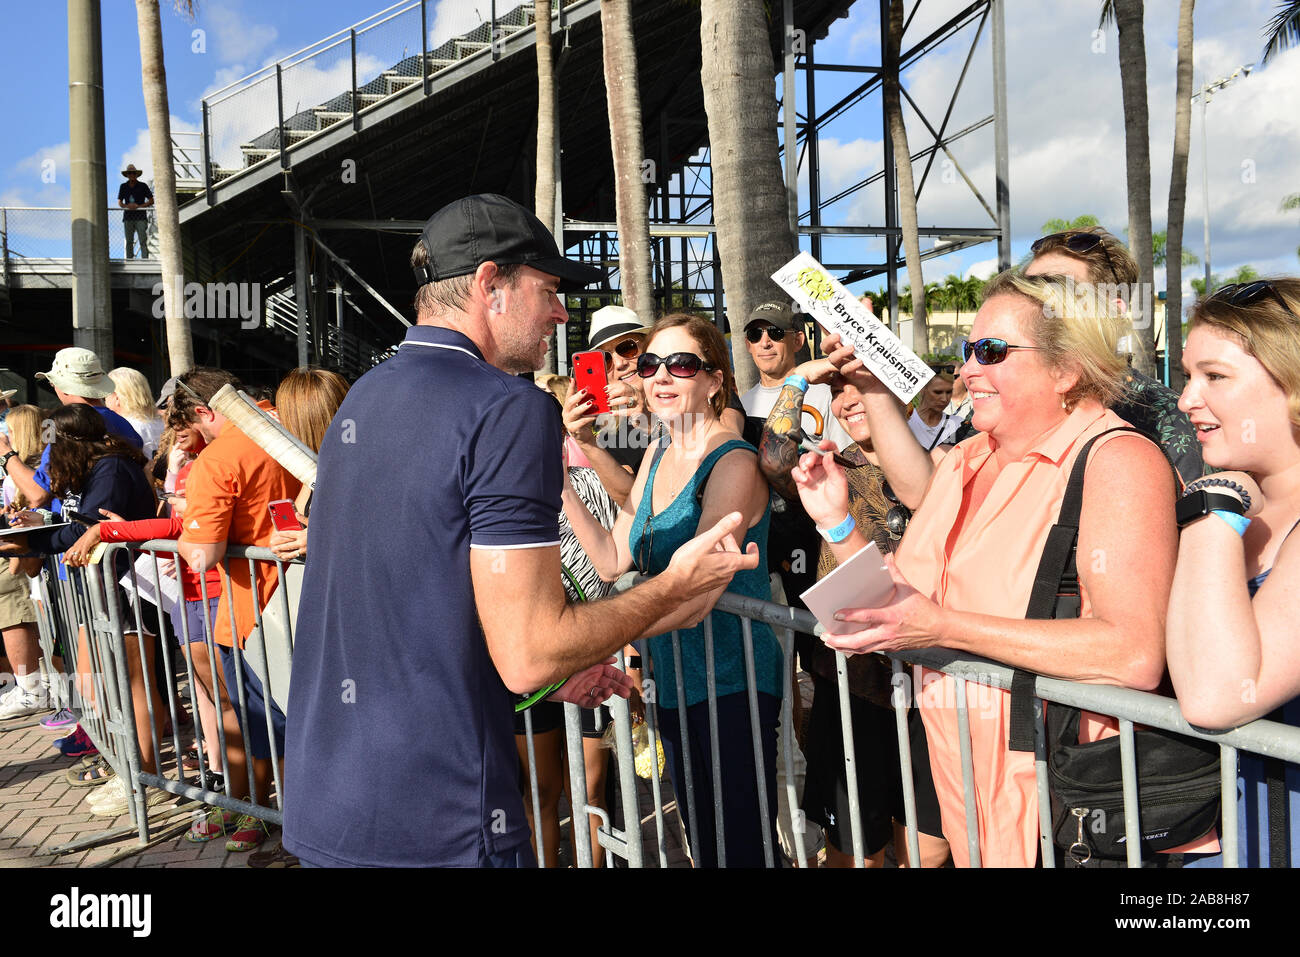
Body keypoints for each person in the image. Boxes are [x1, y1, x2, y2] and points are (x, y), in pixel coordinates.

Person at [281, 193, 758, 868]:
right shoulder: (510, 408)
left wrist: (547, 679)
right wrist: (673, 585)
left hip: (327, 801)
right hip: (442, 814)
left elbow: (416, 596)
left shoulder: (364, 396)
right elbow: (531, 650)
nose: (562, 314)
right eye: (549, 290)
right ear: (489, 285)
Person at [793, 271, 1177, 866]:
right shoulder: (967, 458)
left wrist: (945, 629)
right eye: (967, 351)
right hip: (963, 778)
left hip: (1063, 799)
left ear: (1065, 369)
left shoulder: (1118, 461)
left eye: (991, 352)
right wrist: (837, 523)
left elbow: (1133, 652)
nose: (969, 370)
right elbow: (903, 601)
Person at [562, 312, 782, 867]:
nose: (659, 375)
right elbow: (613, 559)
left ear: (714, 380)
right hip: (676, 680)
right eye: (650, 363)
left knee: (740, 844)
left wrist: (583, 641)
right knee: (704, 840)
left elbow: (695, 599)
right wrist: (559, 471)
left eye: (681, 364)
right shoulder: (659, 452)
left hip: (734, 680)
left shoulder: (733, 461)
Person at [1166, 277, 1300, 867]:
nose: (1186, 400)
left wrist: (1212, 501)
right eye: (1188, 375)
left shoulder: (1224, 508)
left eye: (1214, 377)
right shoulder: (1247, 511)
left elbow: (1216, 697)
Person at [7, 404, 170, 816]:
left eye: (50, 446)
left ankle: (145, 777)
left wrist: (32, 544)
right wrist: (35, 526)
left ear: (67, 442)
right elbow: (76, 519)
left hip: (130, 584)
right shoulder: (93, 466)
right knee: (94, 681)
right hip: (99, 588)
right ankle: (124, 762)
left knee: (135, 683)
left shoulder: (112, 467)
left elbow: (89, 529)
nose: (46, 458)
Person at [171, 367, 301, 851]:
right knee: (276, 716)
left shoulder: (220, 456)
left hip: (255, 609)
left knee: (268, 718)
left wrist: (185, 527)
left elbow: (202, 553)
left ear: (207, 411)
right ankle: (259, 808)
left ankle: (288, 821)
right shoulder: (294, 422)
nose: (198, 436)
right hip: (310, 599)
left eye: (197, 425)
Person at [0, 348, 142, 511]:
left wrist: (5, 452)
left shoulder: (58, 425)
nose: (52, 386)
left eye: (52, 382)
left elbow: (38, 494)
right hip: (114, 524)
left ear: (64, 386)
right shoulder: (124, 424)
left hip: (75, 528)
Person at [562, 304, 654, 507]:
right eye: (606, 359)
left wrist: (652, 422)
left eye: (628, 348)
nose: (620, 363)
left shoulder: (685, 395)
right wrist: (585, 441)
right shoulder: (608, 430)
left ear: (648, 349)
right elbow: (631, 501)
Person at [106, 367, 165, 458]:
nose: (104, 399)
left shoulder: (124, 429)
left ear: (117, 398)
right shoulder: (164, 423)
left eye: (106, 394)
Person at [906, 371, 962, 450]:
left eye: (949, 392)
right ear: (923, 391)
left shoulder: (959, 424)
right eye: (938, 392)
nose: (944, 399)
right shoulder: (904, 421)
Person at [118, 164, 154, 259]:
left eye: (133, 173)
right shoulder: (123, 186)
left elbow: (151, 200)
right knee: (129, 241)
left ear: (136, 174)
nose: (132, 174)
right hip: (128, 217)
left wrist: (139, 206)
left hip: (141, 217)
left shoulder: (143, 186)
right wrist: (127, 206)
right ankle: (129, 260)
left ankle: (145, 260)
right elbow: (120, 202)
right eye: (130, 173)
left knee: (143, 240)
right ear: (127, 175)